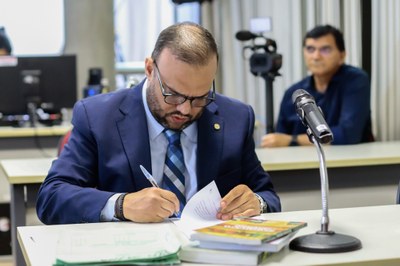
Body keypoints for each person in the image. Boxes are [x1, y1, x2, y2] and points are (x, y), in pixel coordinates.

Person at [36, 22, 281, 224]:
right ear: (149, 69)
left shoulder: (236, 118)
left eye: (200, 97)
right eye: (173, 94)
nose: (185, 109)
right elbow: (52, 197)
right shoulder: (98, 116)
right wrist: (121, 205)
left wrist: (255, 202)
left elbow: (268, 196)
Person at [261, 24, 373, 148]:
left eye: (325, 50)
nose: (316, 56)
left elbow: (348, 135)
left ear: (342, 55)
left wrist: (292, 140)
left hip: (352, 162)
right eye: (310, 49)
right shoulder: (294, 92)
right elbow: (279, 139)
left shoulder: (355, 80)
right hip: (301, 162)